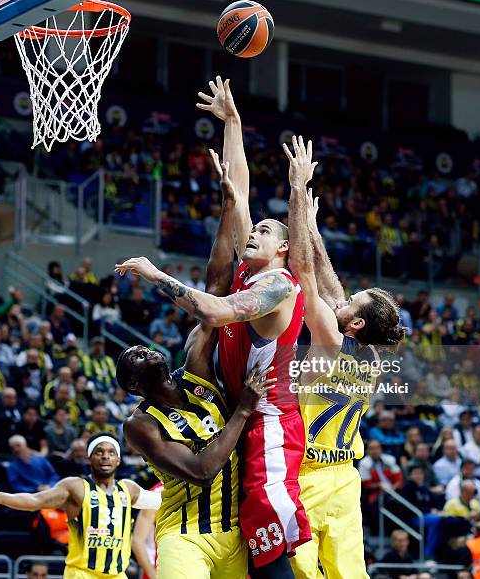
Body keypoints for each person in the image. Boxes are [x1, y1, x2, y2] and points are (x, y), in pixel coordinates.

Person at [117, 79, 311, 575]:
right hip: (239, 407)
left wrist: (154, 273)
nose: (255, 231)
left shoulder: (277, 287)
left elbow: (211, 311)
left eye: (266, 232)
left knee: (271, 538)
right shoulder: (248, 270)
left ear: (283, 250)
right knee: (255, 540)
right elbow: (240, 190)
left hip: (269, 418)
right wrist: (233, 122)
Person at [119, 155, 274, 579]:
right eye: (132, 358)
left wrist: (228, 206)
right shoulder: (140, 424)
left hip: (237, 534)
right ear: (134, 384)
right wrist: (242, 409)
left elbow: (215, 289)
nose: (142, 350)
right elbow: (201, 471)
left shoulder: (195, 371)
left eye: (142, 346)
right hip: (185, 536)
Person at [283, 136, 404, 579]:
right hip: (344, 479)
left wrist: (297, 190)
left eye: (352, 302)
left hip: (309, 475)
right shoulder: (369, 353)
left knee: (298, 572)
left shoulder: (331, 343)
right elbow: (332, 285)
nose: (343, 299)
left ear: (352, 324)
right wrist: (314, 228)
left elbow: (305, 273)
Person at [0, 432, 162, 578]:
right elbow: (35, 501)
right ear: (89, 457)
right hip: (81, 574)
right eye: (99, 452)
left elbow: (160, 501)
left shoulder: (129, 489)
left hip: (117, 575)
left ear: (118, 460)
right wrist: (1, 497)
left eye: (111, 453)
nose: (106, 457)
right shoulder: (75, 486)